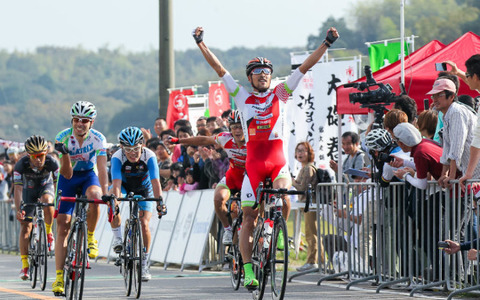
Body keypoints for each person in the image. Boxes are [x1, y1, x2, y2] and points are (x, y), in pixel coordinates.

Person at [193, 25, 339, 288]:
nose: (263, 75)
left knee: (282, 194)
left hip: (277, 162)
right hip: (254, 165)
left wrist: (326, 43)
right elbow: (220, 70)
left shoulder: (280, 94)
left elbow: (304, 68)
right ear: (250, 77)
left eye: (267, 72)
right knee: (248, 217)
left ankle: (276, 228)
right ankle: (248, 271)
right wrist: (201, 43)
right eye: (258, 72)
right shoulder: (242, 95)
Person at [52, 101, 109, 294]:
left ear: (91, 122)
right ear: (72, 120)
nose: (80, 124)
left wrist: (107, 192)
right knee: (63, 224)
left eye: (85, 120)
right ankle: (59, 276)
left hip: (88, 176)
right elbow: (66, 174)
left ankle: (91, 237)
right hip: (68, 178)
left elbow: (101, 169)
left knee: (95, 195)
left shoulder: (99, 138)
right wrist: (65, 153)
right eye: (76, 119)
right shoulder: (62, 137)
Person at [172, 110, 246, 245]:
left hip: (250, 177)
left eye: (241, 126)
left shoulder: (254, 139)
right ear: (230, 128)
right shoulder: (226, 137)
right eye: (234, 127)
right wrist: (180, 140)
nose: (237, 130)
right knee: (218, 198)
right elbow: (204, 139)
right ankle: (228, 229)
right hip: (233, 176)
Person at [109, 126, 164, 281]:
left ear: (142, 145)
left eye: (136, 149)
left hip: (144, 188)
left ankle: (145, 263)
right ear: (121, 148)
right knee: (111, 199)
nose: (132, 153)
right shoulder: (117, 157)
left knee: (144, 224)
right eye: (128, 149)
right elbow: (117, 183)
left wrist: (160, 202)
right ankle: (118, 238)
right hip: (124, 186)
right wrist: (116, 202)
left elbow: (155, 182)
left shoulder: (150, 156)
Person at [14, 135, 58, 280]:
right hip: (29, 190)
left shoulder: (52, 162)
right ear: (28, 155)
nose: (38, 159)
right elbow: (18, 189)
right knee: (25, 227)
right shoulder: (21, 165)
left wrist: (58, 203)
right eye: (34, 156)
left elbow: (59, 185)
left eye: (41, 155)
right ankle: (25, 265)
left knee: (47, 200)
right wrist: (19, 208)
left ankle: (49, 232)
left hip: (46, 187)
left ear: (46, 153)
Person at [292, 141, 324, 271]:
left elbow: (303, 188)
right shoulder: (305, 168)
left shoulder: (308, 168)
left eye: (303, 151)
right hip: (307, 205)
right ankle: (320, 262)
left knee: (311, 234)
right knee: (311, 233)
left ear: (309, 153)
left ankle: (312, 261)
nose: (300, 153)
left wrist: (292, 182)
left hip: (310, 205)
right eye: (298, 150)